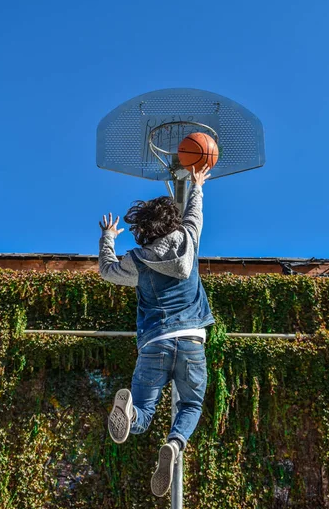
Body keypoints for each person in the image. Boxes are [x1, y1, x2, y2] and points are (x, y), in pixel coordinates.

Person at [98, 164, 215, 497]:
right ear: (172, 222)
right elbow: (195, 212)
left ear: (144, 229)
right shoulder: (189, 240)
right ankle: (175, 445)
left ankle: (130, 412)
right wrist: (197, 185)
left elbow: (107, 270)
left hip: (155, 344)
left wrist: (108, 237)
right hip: (192, 341)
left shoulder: (138, 259)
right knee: (190, 405)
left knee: (145, 412)